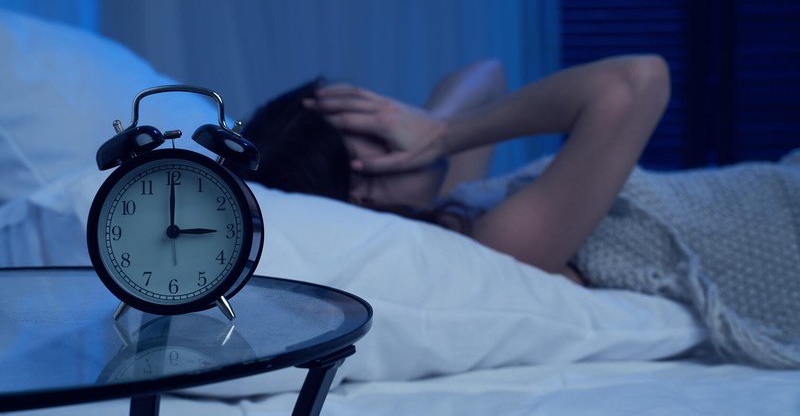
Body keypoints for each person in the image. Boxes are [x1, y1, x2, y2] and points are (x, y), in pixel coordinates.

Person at [239, 55, 800, 369]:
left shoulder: (450, 202)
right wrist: (446, 134)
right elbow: (638, 80)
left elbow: (484, 75)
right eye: (379, 135)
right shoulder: (498, 243)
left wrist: (432, 125)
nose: (399, 126)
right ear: (361, 196)